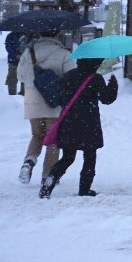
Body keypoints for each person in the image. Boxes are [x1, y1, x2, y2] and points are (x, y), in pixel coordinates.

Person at [39, 58, 118, 198]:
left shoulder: (68, 76)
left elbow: (59, 99)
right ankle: (84, 189)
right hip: (88, 123)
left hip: (68, 123)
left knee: (68, 157)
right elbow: (107, 99)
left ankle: (50, 180)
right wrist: (113, 86)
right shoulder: (95, 78)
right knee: (89, 157)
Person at [17, 30, 75, 185]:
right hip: (54, 103)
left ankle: (29, 161)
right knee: (53, 140)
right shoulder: (64, 53)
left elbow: (20, 76)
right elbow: (71, 76)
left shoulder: (28, 53)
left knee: (37, 135)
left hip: (31, 102)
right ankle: (48, 176)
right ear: (56, 36)